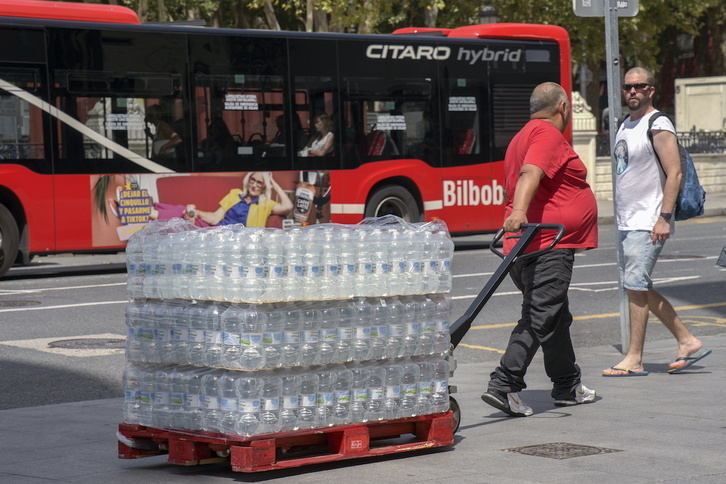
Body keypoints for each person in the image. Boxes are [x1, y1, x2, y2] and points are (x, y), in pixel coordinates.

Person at [480, 82, 598, 417]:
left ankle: (567, 385)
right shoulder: (547, 135)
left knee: (555, 316)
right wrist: (519, 213)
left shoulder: (522, 136)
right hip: (548, 243)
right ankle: (504, 384)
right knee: (540, 315)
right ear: (564, 108)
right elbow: (530, 173)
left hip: (529, 245)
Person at [602, 67, 711, 377]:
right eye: (628, 87)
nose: (633, 91)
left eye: (640, 86)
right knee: (637, 286)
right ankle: (686, 340)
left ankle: (634, 358)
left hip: (649, 219)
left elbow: (674, 172)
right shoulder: (626, 124)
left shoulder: (658, 123)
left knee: (635, 286)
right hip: (628, 221)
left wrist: (664, 217)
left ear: (651, 90)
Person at [185, 171, 293, 227]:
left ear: (264, 185)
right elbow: (215, 218)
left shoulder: (265, 204)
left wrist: (274, 185)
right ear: (248, 180)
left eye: (259, 182)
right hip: (220, 232)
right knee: (179, 213)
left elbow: (288, 207)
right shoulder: (234, 194)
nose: (254, 185)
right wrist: (197, 212)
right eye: (252, 180)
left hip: (241, 241)